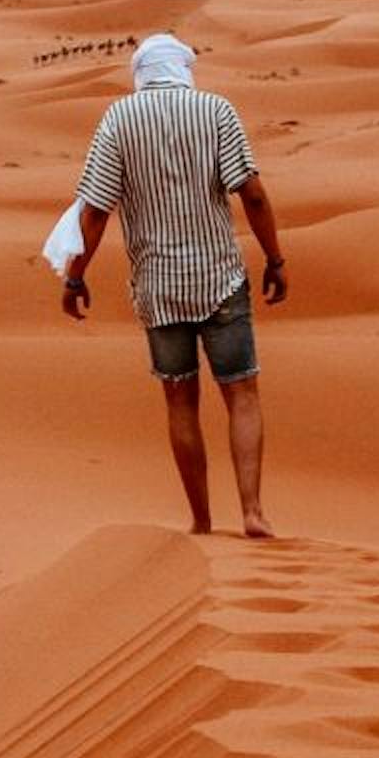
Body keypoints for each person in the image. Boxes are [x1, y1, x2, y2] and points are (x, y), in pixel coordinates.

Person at [58, 32, 289, 539]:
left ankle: (202, 521)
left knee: (180, 401)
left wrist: (75, 275)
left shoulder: (118, 119)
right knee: (242, 393)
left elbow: (95, 210)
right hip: (220, 277)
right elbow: (250, 191)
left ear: (140, 72)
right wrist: (274, 258)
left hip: (159, 287)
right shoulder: (215, 110)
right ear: (184, 69)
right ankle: (252, 511)